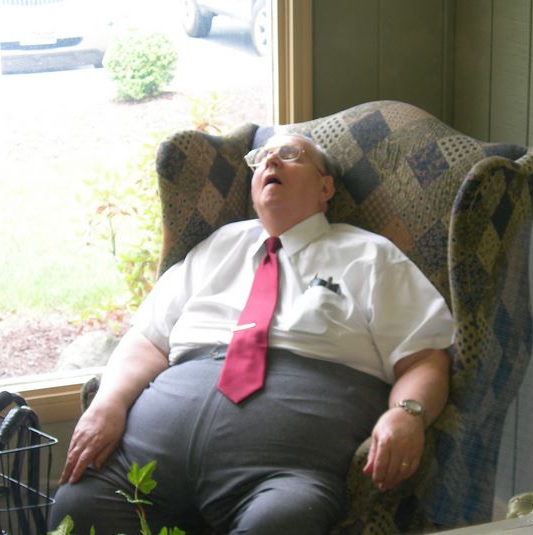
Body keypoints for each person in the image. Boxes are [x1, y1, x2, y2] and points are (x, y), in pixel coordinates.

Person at [48, 133, 454, 535]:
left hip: (283, 472)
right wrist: (108, 403)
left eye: (290, 154)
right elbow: (148, 339)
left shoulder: (370, 255)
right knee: (77, 508)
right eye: (262, 157)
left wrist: (409, 414)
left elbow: (425, 357)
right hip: (145, 461)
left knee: (279, 526)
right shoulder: (220, 245)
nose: (270, 162)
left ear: (325, 187)